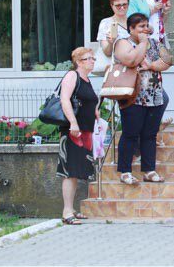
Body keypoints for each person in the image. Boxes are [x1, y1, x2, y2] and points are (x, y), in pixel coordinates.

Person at [115, 13, 171, 185]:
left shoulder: (155, 42)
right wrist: (143, 43)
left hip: (154, 95)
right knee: (130, 134)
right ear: (131, 29)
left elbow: (168, 60)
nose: (145, 29)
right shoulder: (123, 43)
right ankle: (125, 172)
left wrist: (152, 65)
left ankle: (149, 170)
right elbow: (132, 60)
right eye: (141, 26)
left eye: (147, 25)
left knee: (150, 134)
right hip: (132, 96)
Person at [58, 47, 100, 225]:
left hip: (85, 131)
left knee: (76, 171)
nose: (92, 61)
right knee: (70, 171)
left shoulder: (87, 80)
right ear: (78, 62)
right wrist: (73, 123)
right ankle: (67, 211)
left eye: (93, 58)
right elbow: (64, 99)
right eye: (88, 58)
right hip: (73, 131)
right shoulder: (72, 76)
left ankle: (71, 209)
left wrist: (95, 111)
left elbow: (87, 102)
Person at [142, 0, 174, 134]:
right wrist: (155, 8)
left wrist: (165, 11)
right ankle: (152, 129)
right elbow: (137, 19)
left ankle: (153, 128)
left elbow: (160, 22)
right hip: (147, 44)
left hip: (157, 42)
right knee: (151, 87)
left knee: (157, 87)